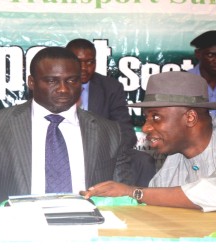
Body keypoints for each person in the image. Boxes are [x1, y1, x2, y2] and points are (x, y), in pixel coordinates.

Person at [0, 46, 133, 203]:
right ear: (31, 82)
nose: (63, 89)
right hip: (16, 226)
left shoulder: (109, 132)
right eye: (51, 81)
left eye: (71, 80)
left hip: (89, 225)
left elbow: (123, 199)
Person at [81, 71, 216, 212]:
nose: (146, 128)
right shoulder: (174, 158)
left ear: (190, 117)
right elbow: (155, 203)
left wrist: (132, 192)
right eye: (146, 118)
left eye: (156, 117)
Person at [66, 38, 156, 187]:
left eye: (90, 62)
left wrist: (105, 152)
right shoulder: (56, 86)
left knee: (143, 160)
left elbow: (126, 131)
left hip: (104, 152)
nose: (84, 68)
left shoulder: (110, 87)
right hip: (65, 149)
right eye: (78, 62)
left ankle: (138, 203)